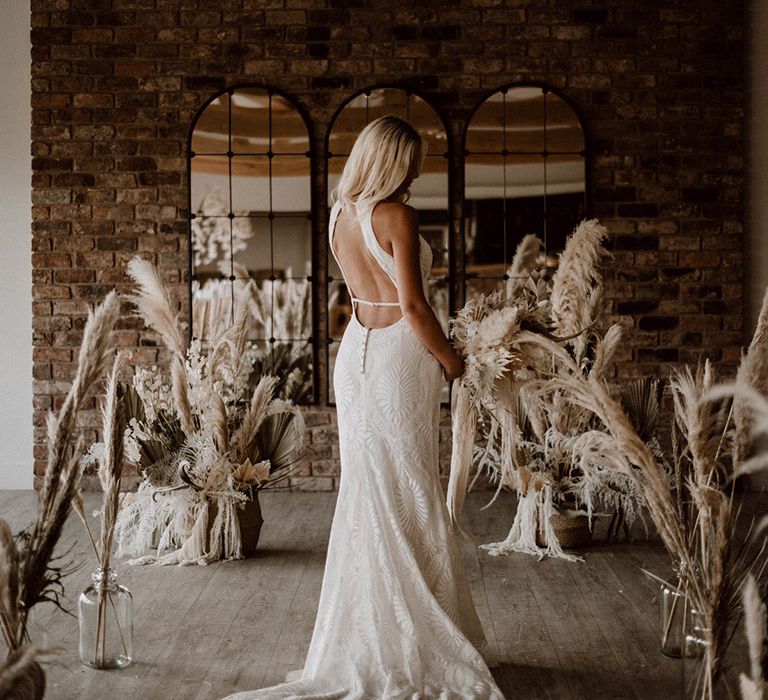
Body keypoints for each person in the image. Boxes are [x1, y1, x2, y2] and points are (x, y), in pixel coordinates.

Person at [223, 116, 504, 699]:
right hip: (403, 350)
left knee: (366, 489)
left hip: (355, 353)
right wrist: (455, 364)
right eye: (413, 161)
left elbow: (360, 290)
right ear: (391, 162)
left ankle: (367, 631)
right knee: (410, 482)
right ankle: (420, 631)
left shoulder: (338, 216)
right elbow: (415, 307)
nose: (418, 172)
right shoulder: (397, 216)